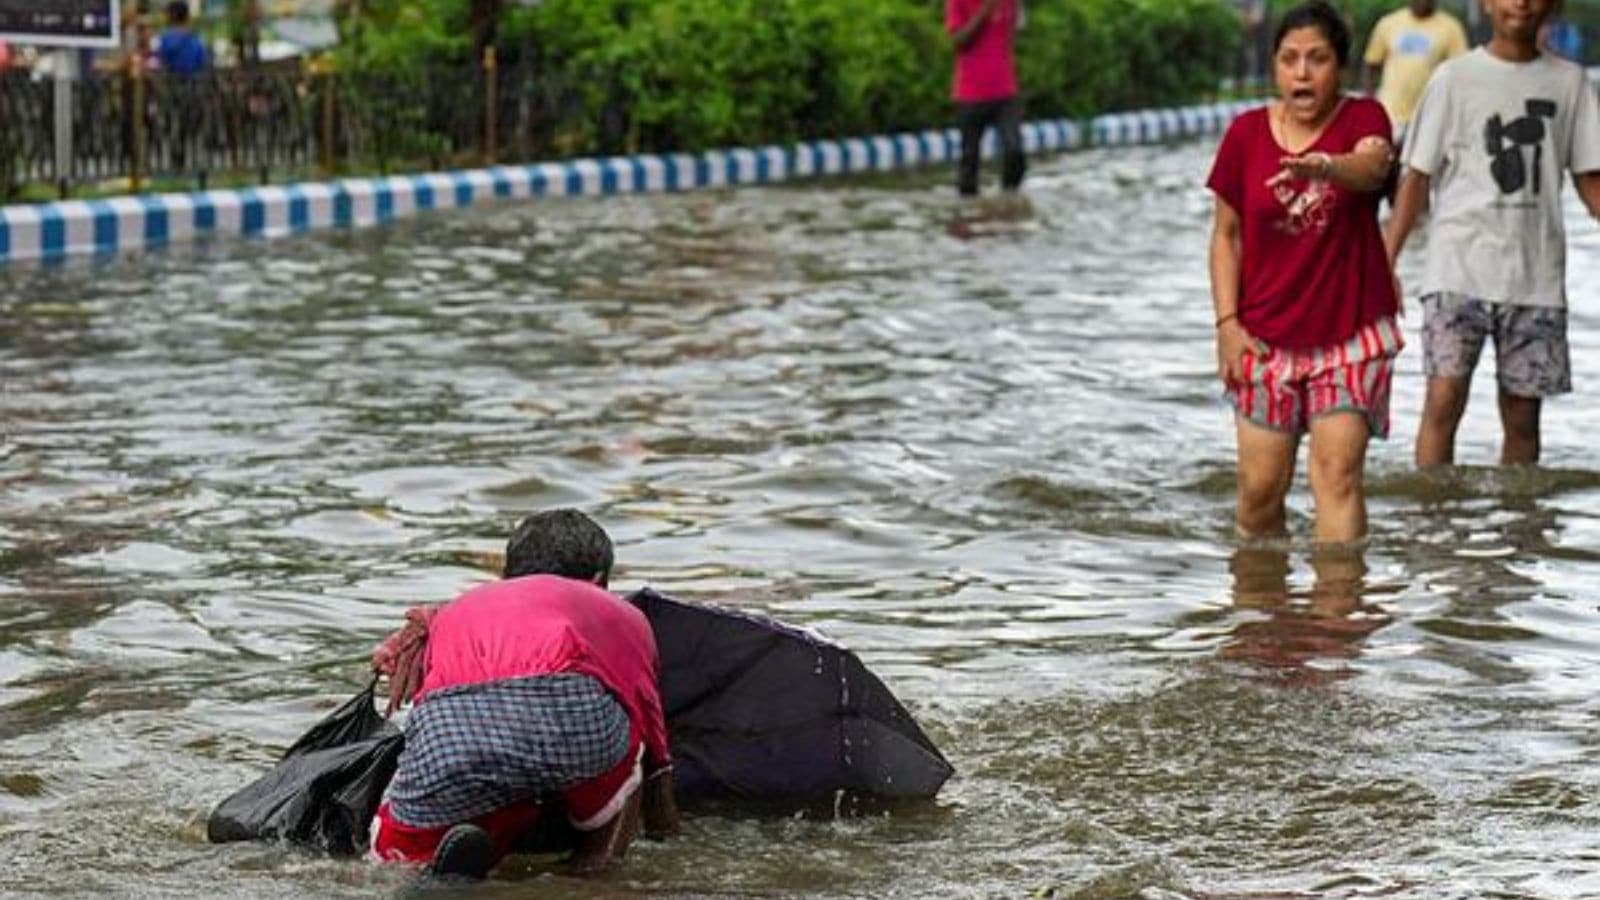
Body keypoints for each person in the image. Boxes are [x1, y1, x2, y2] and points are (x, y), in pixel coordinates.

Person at [368, 509, 680, 880]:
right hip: (572, 728)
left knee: (401, 847)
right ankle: (590, 873)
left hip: (450, 733)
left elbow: (431, 701)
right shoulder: (621, 613)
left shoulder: (455, 609)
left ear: (506, 574)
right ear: (600, 580)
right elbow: (650, 730)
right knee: (629, 749)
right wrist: (665, 831)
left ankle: (419, 861)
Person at [1206, 1, 1403, 545]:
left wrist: (1328, 167)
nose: (1302, 72)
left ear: (1339, 66)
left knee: (1336, 476)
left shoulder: (1364, 118)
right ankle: (1262, 594)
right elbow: (1225, 236)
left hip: (1351, 334)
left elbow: (1373, 166)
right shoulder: (1245, 135)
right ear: (1273, 66)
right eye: (1289, 59)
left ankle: (1338, 598)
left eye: (1317, 59)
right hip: (1263, 336)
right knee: (1259, 492)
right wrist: (1227, 325)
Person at [1385, 0, 1600, 467]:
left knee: (1523, 419)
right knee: (1443, 400)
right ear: (1486, 3)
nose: (1519, 3)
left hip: (1535, 278)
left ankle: (1518, 513)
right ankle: (1432, 509)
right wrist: (1386, 260)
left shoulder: (1571, 84)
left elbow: (1590, 179)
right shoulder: (1453, 79)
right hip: (1456, 271)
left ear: (1553, 5)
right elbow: (1416, 176)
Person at [945, 0, 1025, 196]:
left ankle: (1009, 200)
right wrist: (985, 11)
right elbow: (958, 41)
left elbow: (1015, 29)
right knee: (969, 160)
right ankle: (969, 207)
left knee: (1014, 150)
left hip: (1005, 90)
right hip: (971, 92)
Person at [1362, 0, 1470, 138]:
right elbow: (1371, 63)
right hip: (1391, 115)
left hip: (1431, 117)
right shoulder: (1388, 23)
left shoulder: (1451, 28)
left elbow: (1461, 71)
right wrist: (1369, 101)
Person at [155, 0, 207, 76]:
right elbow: (201, 61)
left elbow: (162, 61)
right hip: (194, 79)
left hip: (173, 79)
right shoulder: (196, 36)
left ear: (172, 15)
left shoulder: (166, 37)